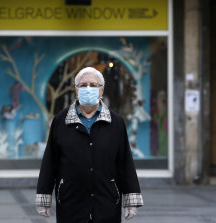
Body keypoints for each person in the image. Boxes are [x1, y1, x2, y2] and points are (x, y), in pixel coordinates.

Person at [35, 67, 144, 223]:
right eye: (83, 85)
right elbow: (50, 161)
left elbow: (124, 161)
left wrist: (131, 199)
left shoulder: (116, 122)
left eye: (93, 85)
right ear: (76, 89)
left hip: (107, 203)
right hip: (70, 204)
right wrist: (43, 197)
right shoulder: (61, 121)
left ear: (101, 90)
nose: (88, 88)